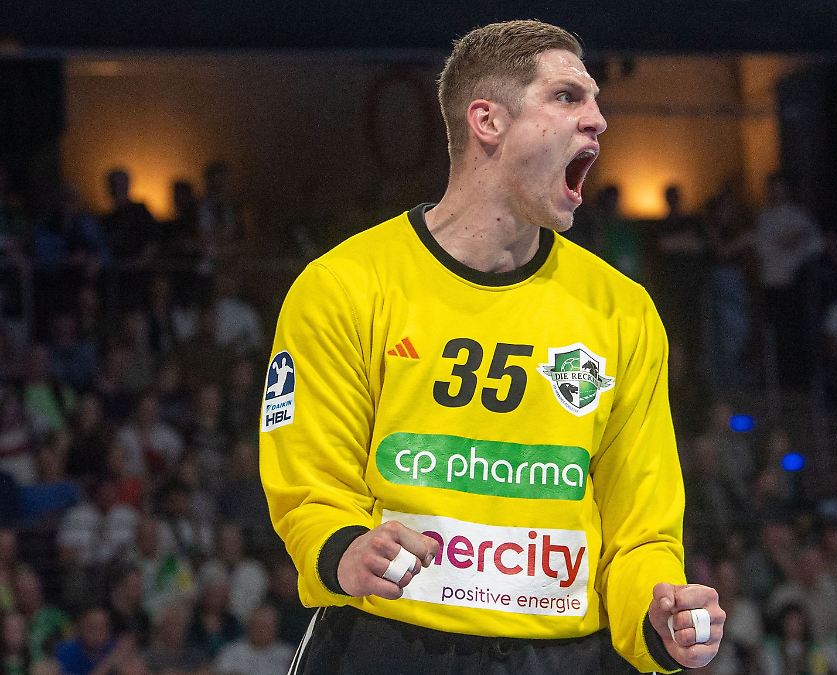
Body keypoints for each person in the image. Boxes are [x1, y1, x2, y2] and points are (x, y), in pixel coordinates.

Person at [259, 20, 724, 674]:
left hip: (565, 656)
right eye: (566, 97)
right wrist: (344, 549)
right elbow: (311, 488)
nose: (598, 120)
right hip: (386, 640)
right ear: (488, 121)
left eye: (595, 101)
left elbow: (642, 529)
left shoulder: (623, 309)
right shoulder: (344, 285)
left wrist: (657, 614)